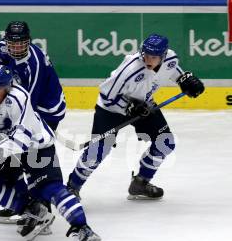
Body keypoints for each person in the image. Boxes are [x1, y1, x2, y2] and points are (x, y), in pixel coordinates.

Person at [0, 64, 107, 241]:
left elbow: (21, 142)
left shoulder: (19, 98)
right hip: (7, 148)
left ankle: (83, 230)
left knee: (50, 189)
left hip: (37, 146)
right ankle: (32, 210)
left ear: (9, 87)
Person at [67, 34, 205, 200]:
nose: (148, 60)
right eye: (145, 54)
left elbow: (175, 70)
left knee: (165, 142)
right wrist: (130, 106)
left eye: (153, 57)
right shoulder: (130, 68)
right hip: (111, 109)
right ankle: (72, 187)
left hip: (144, 105)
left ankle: (141, 182)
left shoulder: (170, 58)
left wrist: (186, 80)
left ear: (163, 55)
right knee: (99, 150)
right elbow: (107, 94)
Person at [0, 20, 66, 223]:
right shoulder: (2, 48)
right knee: (14, 157)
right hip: (30, 105)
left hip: (46, 110)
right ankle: (22, 202)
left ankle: (43, 209)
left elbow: (28, 106)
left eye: (21, 43)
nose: (16, 48)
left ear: (28, 42)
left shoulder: (33, 65)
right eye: (13, 43)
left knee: (35, 157)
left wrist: (9, 123)